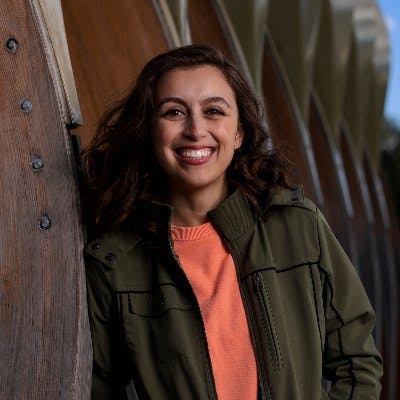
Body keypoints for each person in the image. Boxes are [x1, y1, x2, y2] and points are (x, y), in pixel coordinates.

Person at [83, 45, 383, 400]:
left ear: (239, 132)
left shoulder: (298, 227)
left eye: (214, 111)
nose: (196, 130)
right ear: (149, 132)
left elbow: (357, 363)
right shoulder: (114, 262)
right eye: (174, 112)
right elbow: (97, 389)